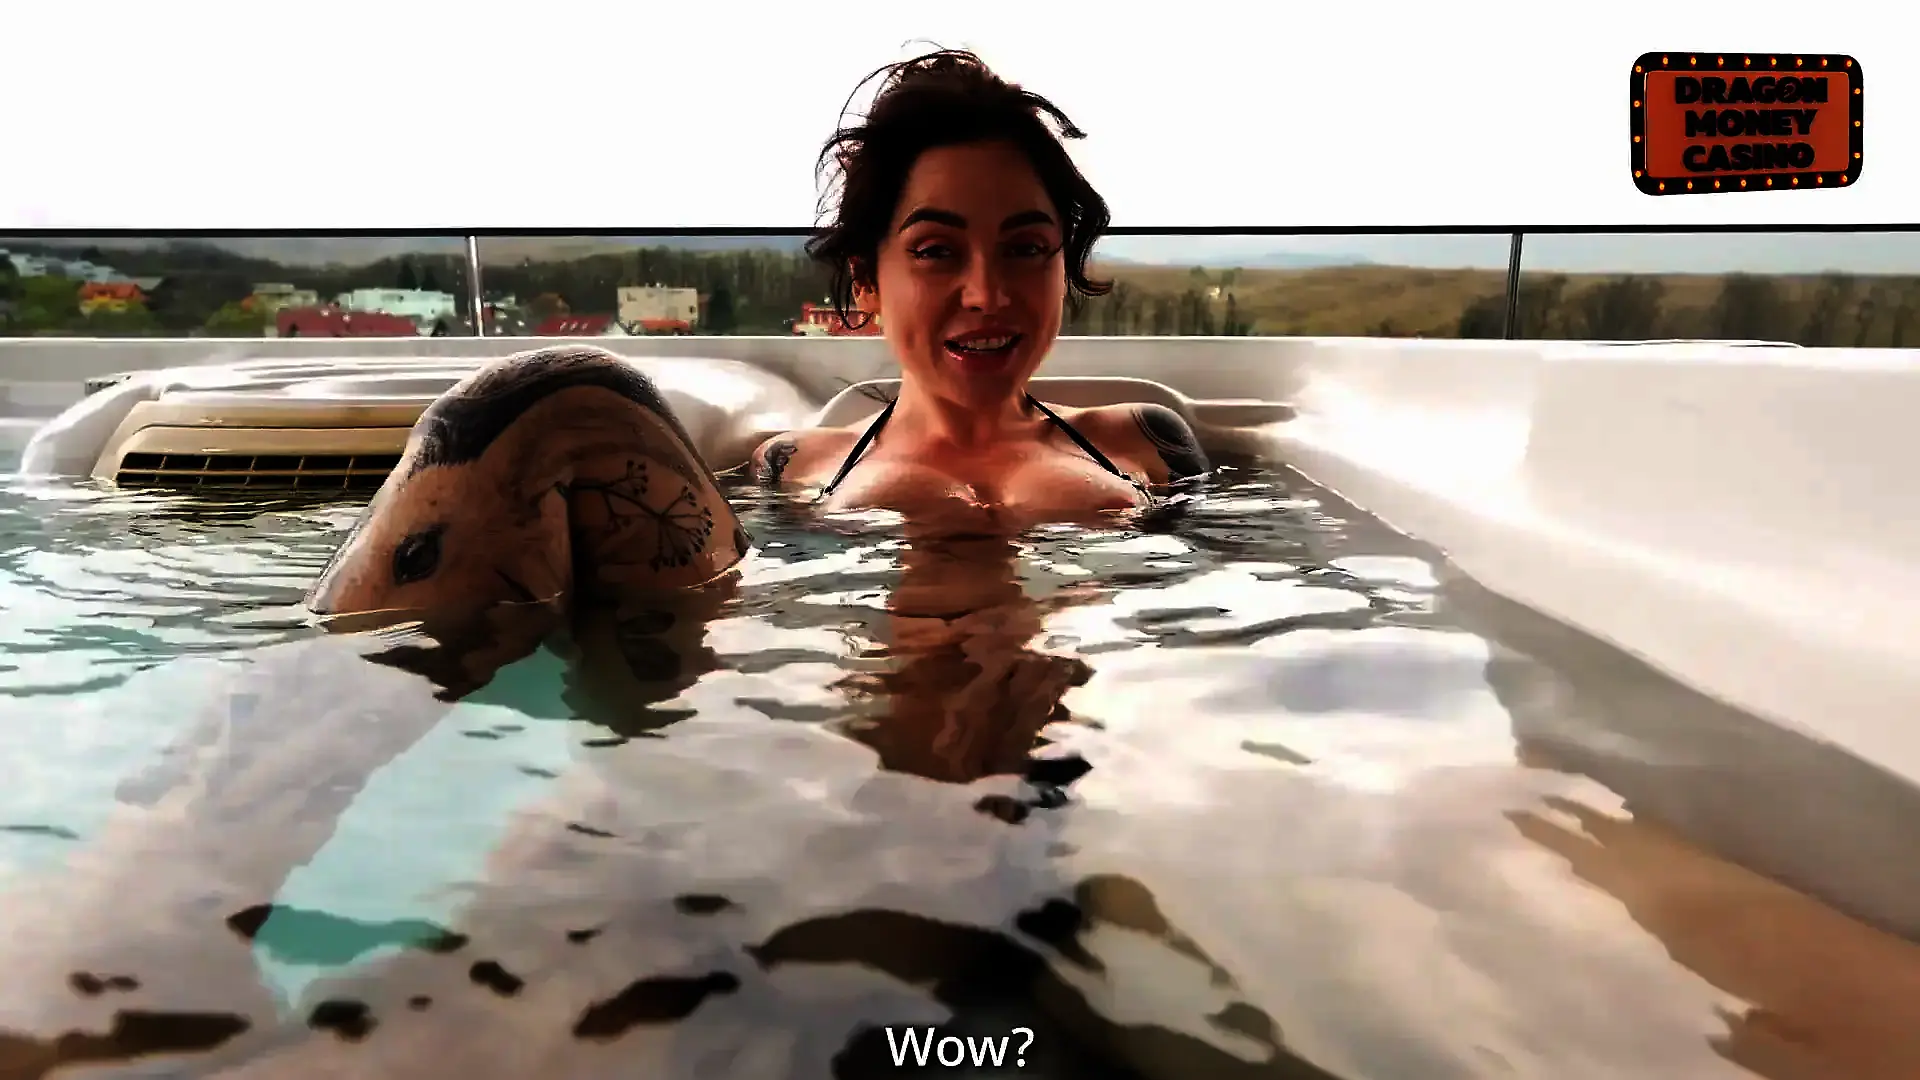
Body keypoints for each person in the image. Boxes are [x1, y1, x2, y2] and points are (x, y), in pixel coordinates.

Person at [305, 48, 1210, 623]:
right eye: (937, 251)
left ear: (1062, 267)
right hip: (844, 771)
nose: (988, 291)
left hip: (1081, 765)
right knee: (554, 398)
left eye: (1027, 247)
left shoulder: (1148, 442)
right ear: (868, 280)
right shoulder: (792, 465)